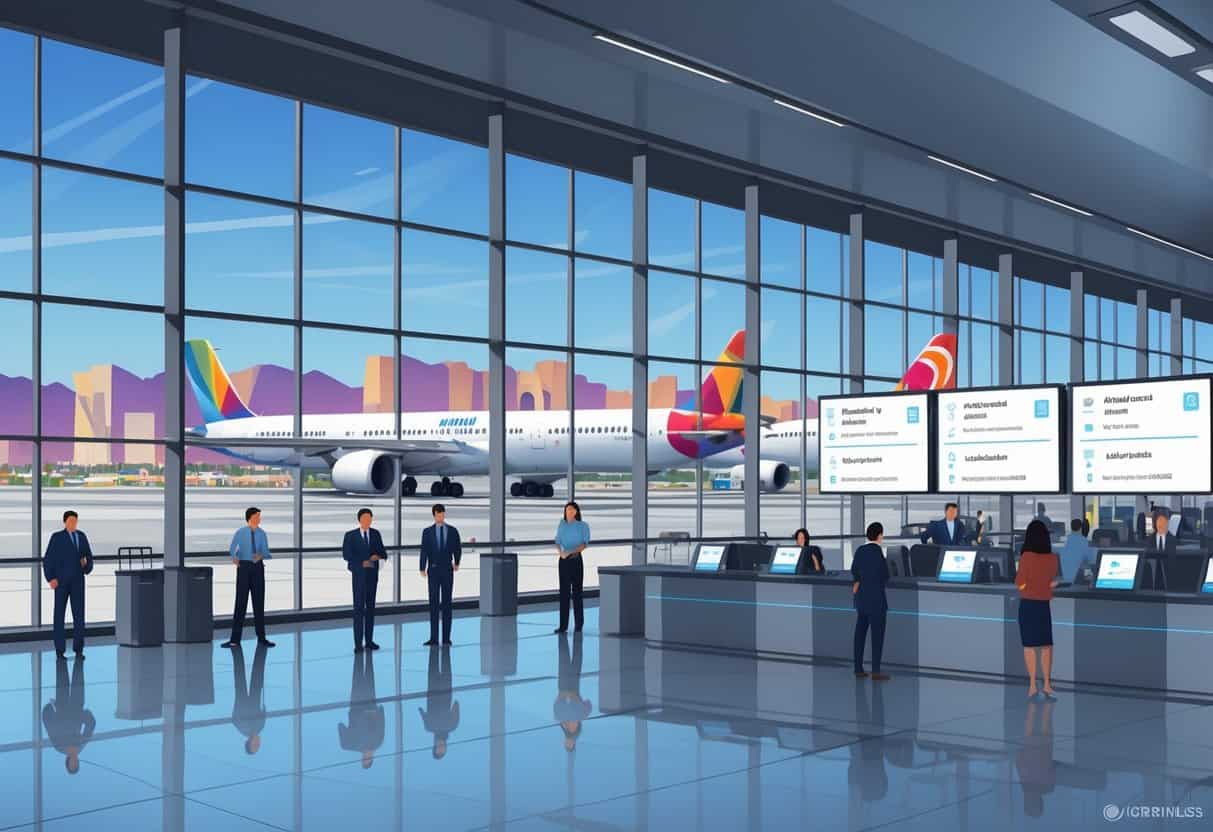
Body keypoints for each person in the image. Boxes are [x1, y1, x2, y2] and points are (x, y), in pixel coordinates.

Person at [1015, 519, 1060, 700]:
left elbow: (1020, 584)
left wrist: (1029, 586)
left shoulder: (1026, 557)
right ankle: (1047, 684)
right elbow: (1052, 582)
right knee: (1047, 646)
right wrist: (1046, 586)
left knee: (1030, 646)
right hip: (1043, 606)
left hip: (1028, 605)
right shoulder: (1052, 558)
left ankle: (1033, 685)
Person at [43, 510, 94, 659]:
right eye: (70, 521)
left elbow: (89, 557)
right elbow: (48, 559)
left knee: (79, 616)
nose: (73, 524)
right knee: (59, 615)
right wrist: (50, 578)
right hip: (61, 582)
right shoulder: (57, 537)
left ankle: (79, 649)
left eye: (75, 521)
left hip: (78, 581)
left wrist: (87, 565)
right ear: (64, 522)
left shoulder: (81, 536)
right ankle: (60, 650)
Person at [222, 507, 275, 649]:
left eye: (260, 517)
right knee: (240, 603)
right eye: (257, 516)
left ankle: (262, 638)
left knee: (259, 603)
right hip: (244, 568)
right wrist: (235, 557)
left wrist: (261, 555)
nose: (259, 519)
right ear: (250, 517)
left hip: (257, 567)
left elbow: (266, 551)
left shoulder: (262, 534)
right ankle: (234, 639)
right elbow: (233, 548)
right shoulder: (240, 533)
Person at [343, 508, 387, 653]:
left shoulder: (375, 534)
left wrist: (377, 556)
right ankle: (357, 643)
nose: (368, 521)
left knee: (370, 610)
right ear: (359, 520)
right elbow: (346, 555)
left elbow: (383, 552)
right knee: (358, 609)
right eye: (365, 519)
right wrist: (362, 562)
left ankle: (369, 641)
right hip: (359, 577)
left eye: (370, 518)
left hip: (372, 577)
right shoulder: (350, 536)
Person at [41, 655, 94, 774]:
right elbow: (91, 725)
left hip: (62, 705)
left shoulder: (59, 747)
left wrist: (51, 709)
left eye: (72, 764)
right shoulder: (80, 746)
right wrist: (84, 715)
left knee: (62, 676)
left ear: (67, 761)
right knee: (79, 675)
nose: (75, 762)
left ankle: (60, 655)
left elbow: (49, 724)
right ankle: (79, 654)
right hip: (77, 705)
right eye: (76, 764)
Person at [852, 521, 891, 681]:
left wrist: (858, 581)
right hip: (876, 601)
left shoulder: (860, 550)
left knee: (860, 634)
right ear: (880, 535)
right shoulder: (878, 552)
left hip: (861, 599)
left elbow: (854, 570)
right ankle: (876, 670)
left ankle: (858, 668)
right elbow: (885, 575)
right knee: (877, 636)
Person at [420, 503, 461, 646]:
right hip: (433, 569)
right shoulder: (427, 532)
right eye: (438, 514)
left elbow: (457, 547)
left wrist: (457, 562)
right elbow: (424, 550)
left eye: (442, 514)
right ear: (434, 515)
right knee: (433, 603)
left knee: (447, 603)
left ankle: (446, 638)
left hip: (447, 570)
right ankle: (433, 638)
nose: (440, 517)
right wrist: (422, 567)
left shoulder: (452, 531)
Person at [338, 651, 385, 770]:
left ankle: (362, 658)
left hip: (357, 708)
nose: (366, 756)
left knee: (357, 679)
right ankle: (367, 658)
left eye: (364, 759)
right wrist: (380, 711)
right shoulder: (377, 743)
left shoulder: (352, 745)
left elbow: (341, 727)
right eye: (368, 759)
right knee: (369, 678)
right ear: (372, 758)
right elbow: (381, 725)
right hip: (369, 707)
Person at [554, 501, 591, 633]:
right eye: (566, 509)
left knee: (577, 593)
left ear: (576, 511)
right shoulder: (562, 525)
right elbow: (557, 541)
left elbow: (584, 544)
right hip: (563, 560)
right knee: (564, 593)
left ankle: (578, 625)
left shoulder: (583, 526)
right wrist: (561, 553)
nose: (568, 512)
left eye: (570, 509)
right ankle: (563, 626)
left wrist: (570, 552)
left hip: (575, 560)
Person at [419, 645, 460, 759]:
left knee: (437, 664)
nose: (441, 746)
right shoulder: (432, 727)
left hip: (436, 693)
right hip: (441, 693)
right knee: (439, 663)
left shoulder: (447, 726)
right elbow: (456, 707)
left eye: (439, 748)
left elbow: (456, 706)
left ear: (435, 745)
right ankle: (439, 646)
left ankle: (437, 646)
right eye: (442, 749)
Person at [554, 633, 592, 752]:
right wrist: (575, 699)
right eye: (569, 744)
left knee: (564, 660)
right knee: (576, 660)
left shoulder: (563, 724)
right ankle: (576, 638)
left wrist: (562, 697)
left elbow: (557, 706)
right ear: (573, 743)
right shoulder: (578, 721)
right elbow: (586, 704)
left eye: (567, 744)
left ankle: (566, 640)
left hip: (564, 689)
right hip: (572, 689)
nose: (568, 742)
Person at [230, 642, 268, 755]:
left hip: (243, 700)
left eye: (255, 745)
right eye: (258, 745)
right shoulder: (258, 728)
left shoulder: (244, 729)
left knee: (240, 673)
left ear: (249, 742)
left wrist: (238, 706)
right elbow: (263, 714)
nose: (258, 743)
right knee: (255, 673)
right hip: (253, 699)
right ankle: (241, 652)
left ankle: (236, 652)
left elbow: (234, 718)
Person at [1058, 518, 1094, 583]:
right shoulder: (1083, 541)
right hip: (1077, 579)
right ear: (1080, 528)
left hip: (1066, 577)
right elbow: (1090, 560)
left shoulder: (1065, 541)